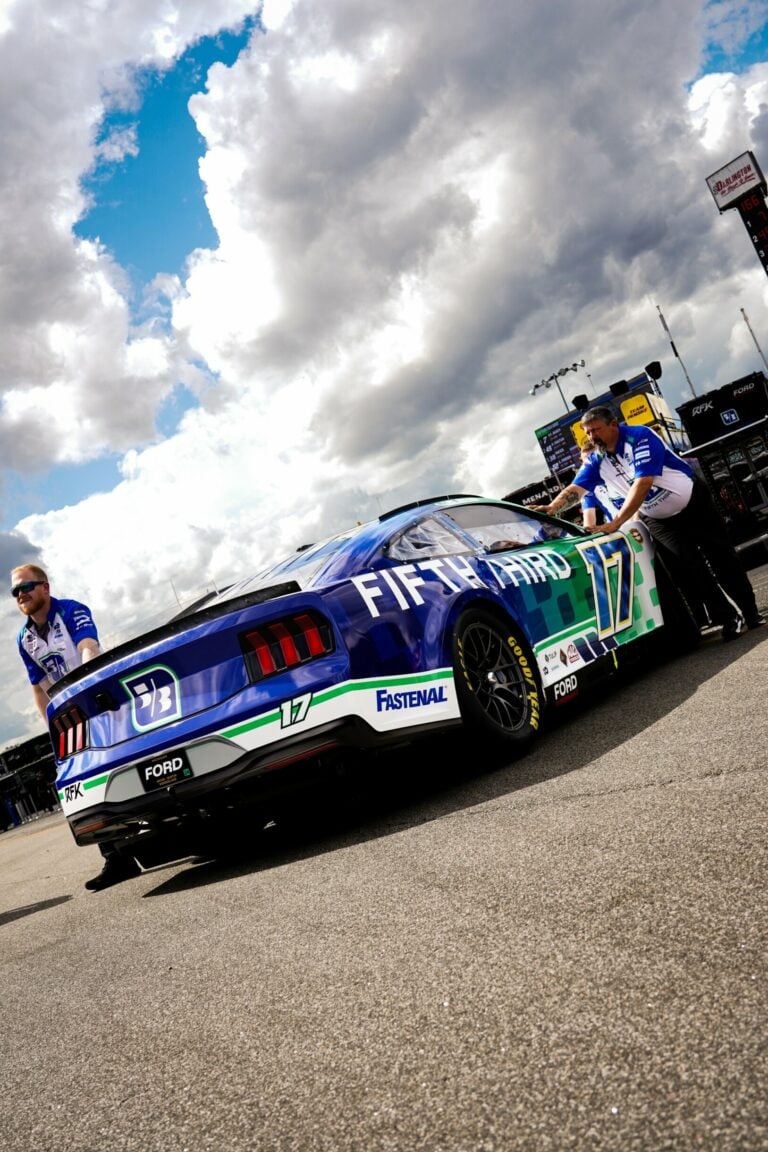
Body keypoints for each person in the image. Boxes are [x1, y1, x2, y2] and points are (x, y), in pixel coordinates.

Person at [532, 406, 764, 640]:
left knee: (722, 558)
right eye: (588, 433)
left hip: (694, 504)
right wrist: (553, 508)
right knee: (691, 569)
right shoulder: (596, 459)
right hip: (659, 520)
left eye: (596, 430)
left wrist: (617, 522)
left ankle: (751, 612)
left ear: (613, 424)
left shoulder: (641, 436)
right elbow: (575, 489)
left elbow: (643, 482)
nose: (592, 437)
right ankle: (728, 618)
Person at [11, 563, 142, 890]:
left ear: (45, 587)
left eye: (26, 587)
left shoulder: (71, 610)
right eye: (15, 591)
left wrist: (82, 689)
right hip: (72, 719)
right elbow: (38, 687)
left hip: (103, 702)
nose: (21, 595)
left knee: (127, 768)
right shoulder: (24, 638)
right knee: (85, 781)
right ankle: (117, 857)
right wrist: (55, 730)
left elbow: (89, 647)